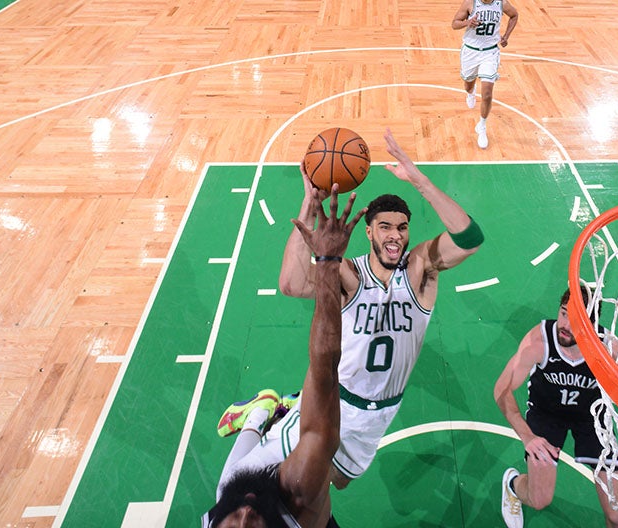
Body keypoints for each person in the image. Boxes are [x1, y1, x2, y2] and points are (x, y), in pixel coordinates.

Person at [218, 128, 483, 493]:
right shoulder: (349, 275)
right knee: (232, 490)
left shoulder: (420, 270)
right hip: (333, 404)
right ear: (369, 233)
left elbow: (470, 238)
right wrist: (310, 205)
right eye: (385, 227)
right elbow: (291, 283)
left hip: (381, 412)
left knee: (339, 483)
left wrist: (419, 181)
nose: (395, 235)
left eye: (402, 228)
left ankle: (282, 409)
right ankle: (260, 415)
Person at [204, 186, 364, 528]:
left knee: (231, 485)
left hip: (253, 485)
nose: (245, 515)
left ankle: (260, 412)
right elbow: (324, 372)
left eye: (232, 525)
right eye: (252, 527)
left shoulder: (236, 503)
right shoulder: (298, 492)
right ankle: (264, 412)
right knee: (336, 473)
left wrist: (322, 248)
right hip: (295, 506)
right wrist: (326, 263)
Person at [494, 284, 618, 528]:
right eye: (564, 313)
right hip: (547, 414)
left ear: (591, 325)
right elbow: (501, 389)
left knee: (616, 516)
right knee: (539, 499)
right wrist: (528, 436)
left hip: (591, 418)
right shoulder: (539, 342)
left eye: (576, 320)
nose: (565, 325)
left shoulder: (607, 347)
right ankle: (512, 484)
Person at [452, 0, 518, 149]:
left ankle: (481, 126)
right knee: (468, 84)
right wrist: (467, 22)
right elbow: (454, 23)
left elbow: (514, 15)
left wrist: (506, 35)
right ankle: (470, 92)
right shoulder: (470, 3)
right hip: (470, 51)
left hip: (490, 52)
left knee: (487, 94)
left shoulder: (501, 3)